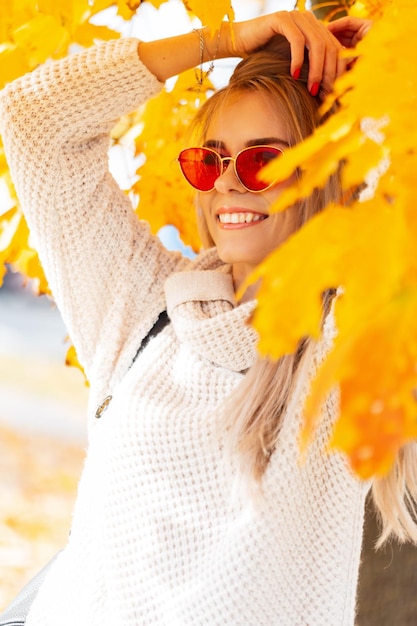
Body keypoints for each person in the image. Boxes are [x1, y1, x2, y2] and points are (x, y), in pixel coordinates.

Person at [1, 9, 413, 626]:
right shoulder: (143, 303)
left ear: (327, 172)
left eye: (263, 161)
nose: (228, 184)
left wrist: (395, 73)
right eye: (209, 160)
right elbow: (33, 120)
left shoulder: (360, 337)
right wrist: (218, 41)